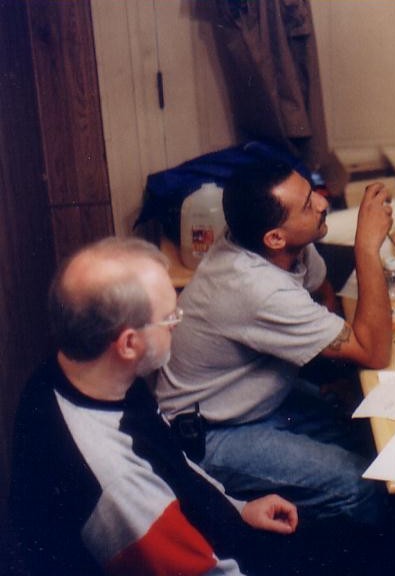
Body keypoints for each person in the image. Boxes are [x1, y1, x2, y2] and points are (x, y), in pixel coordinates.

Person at [8, 237, 302, 576]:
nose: (179, 322)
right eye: (170, 317)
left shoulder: (78, 371)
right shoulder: (118, 484)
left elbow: (170, 460)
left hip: (210, 528)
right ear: (129, 343)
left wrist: (237, 508)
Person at [156, 162, 394, 526]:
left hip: (256, 403)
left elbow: (321, 290)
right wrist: (366, 246)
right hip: (212, 434)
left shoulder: (280, 247)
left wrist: (323, 340)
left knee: (370, 432)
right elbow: (374, 352)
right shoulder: (255, 286)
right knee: (363, 485)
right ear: (275, 238)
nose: (320, 203)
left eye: (310, 191)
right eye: (306, 205)